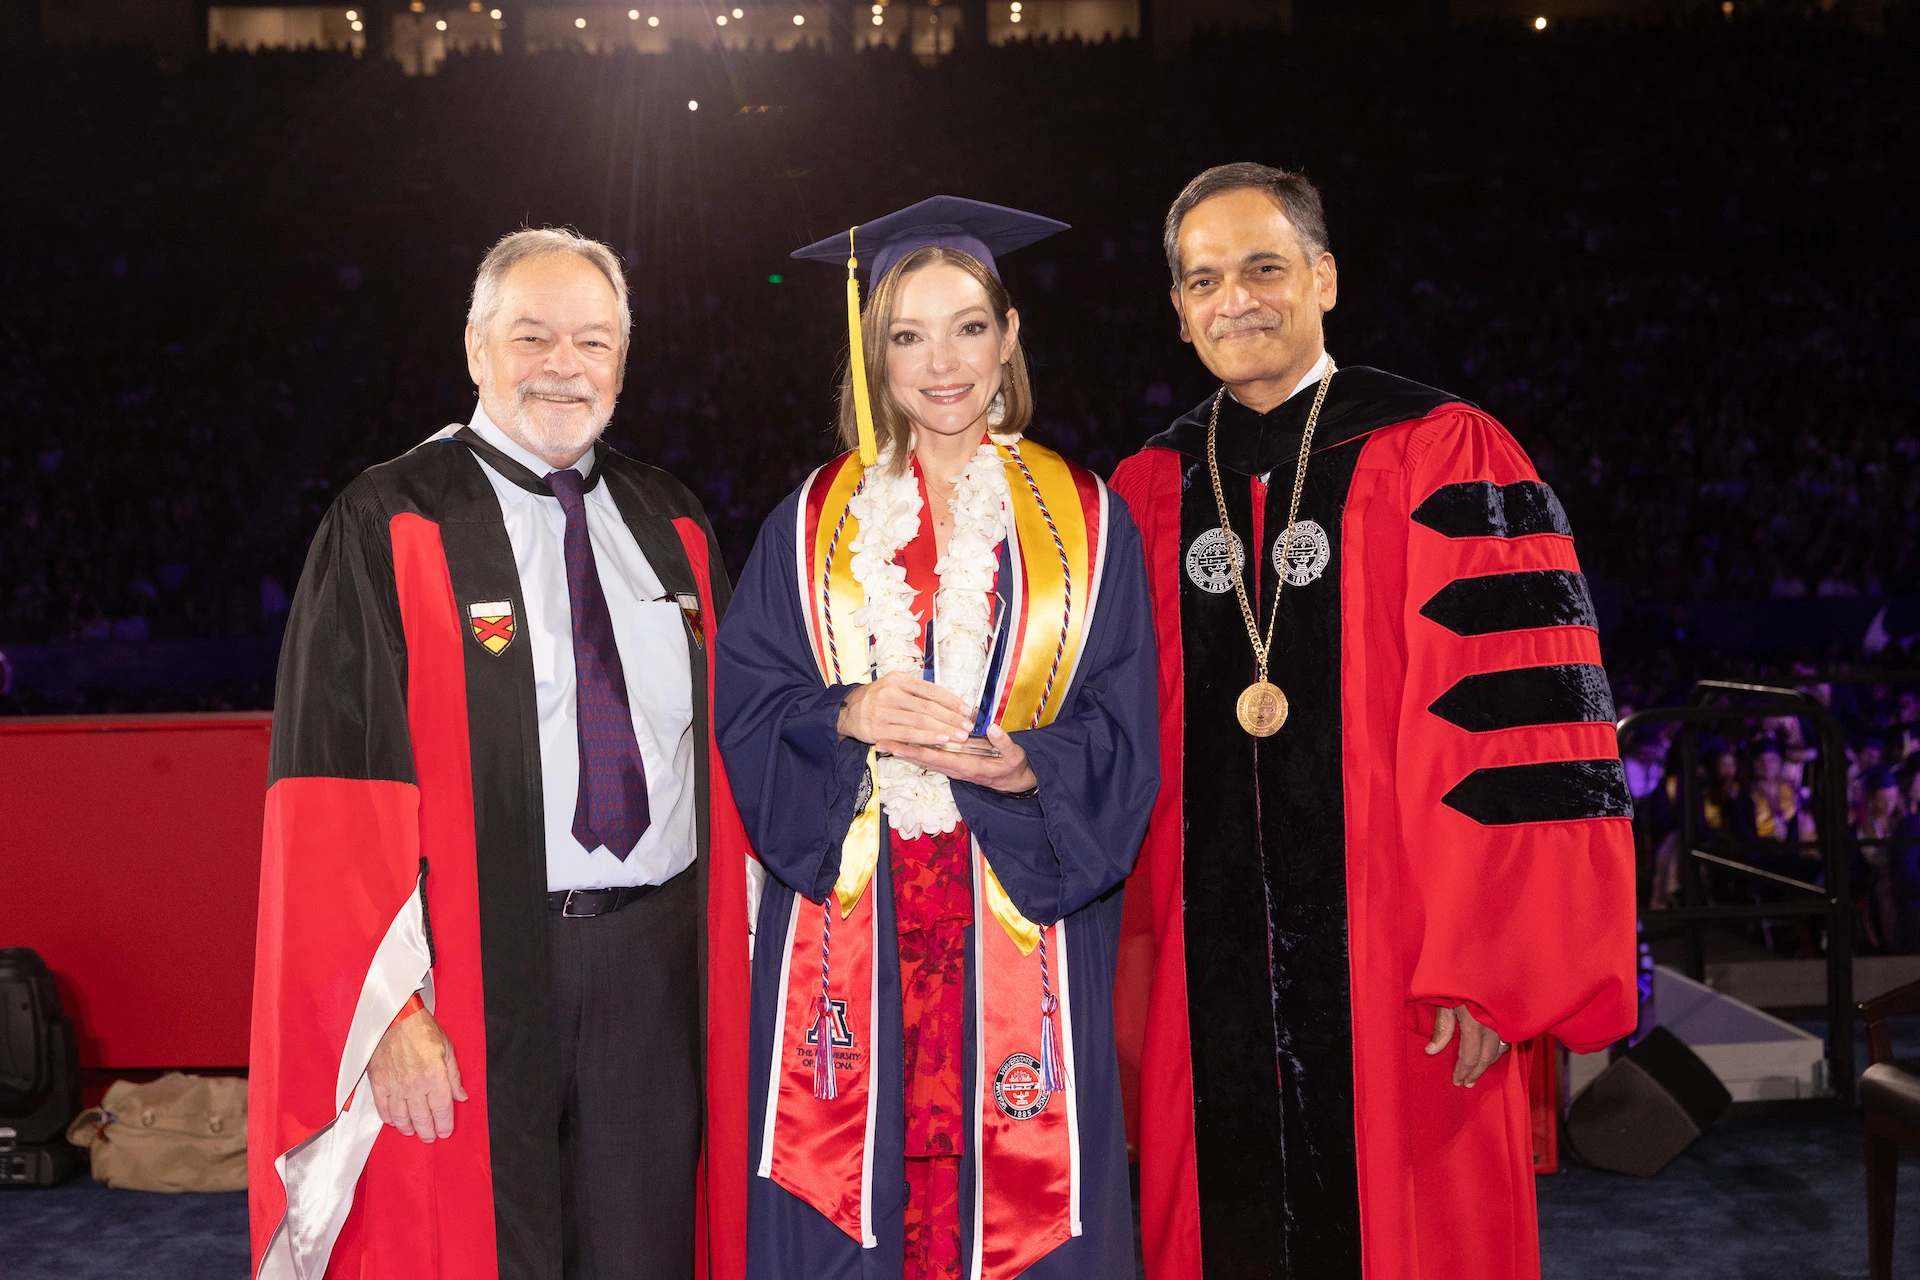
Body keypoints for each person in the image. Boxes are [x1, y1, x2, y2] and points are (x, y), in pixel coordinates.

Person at [1109, 164, 1637, 1280]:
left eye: (1265, 267)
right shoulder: (1146, 489)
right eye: (1205, 278)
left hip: (1403, 967)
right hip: (1200, 982)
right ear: (1177, 307)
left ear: (1325, 277)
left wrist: (1487, 963)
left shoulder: (1445, 450)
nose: (1236, 298)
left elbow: (1518, 730)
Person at [249, 228, 751, 1280]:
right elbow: (329, 788)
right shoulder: (388, 519)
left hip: (656, 968)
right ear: (476, 349)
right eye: (532, 335)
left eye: (593, 339)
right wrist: (383, 1010)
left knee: (646, 1249)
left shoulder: (674, 523)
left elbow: (725, 753)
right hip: (471, 970)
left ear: (623, 358)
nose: (564, 365)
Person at [714, 197, 1159, 1280]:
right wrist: (845, 713)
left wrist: (1029, 764)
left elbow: (1124, 721)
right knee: (847, 1196)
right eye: (907, 335)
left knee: (1029, 1203)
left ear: (1009, 339)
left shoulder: (1088, 522)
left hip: (1017, 911)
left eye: (967, 326)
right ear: (876, 361)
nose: (942, 362)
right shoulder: (812, 521)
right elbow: (750, 705)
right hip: (850, 926)